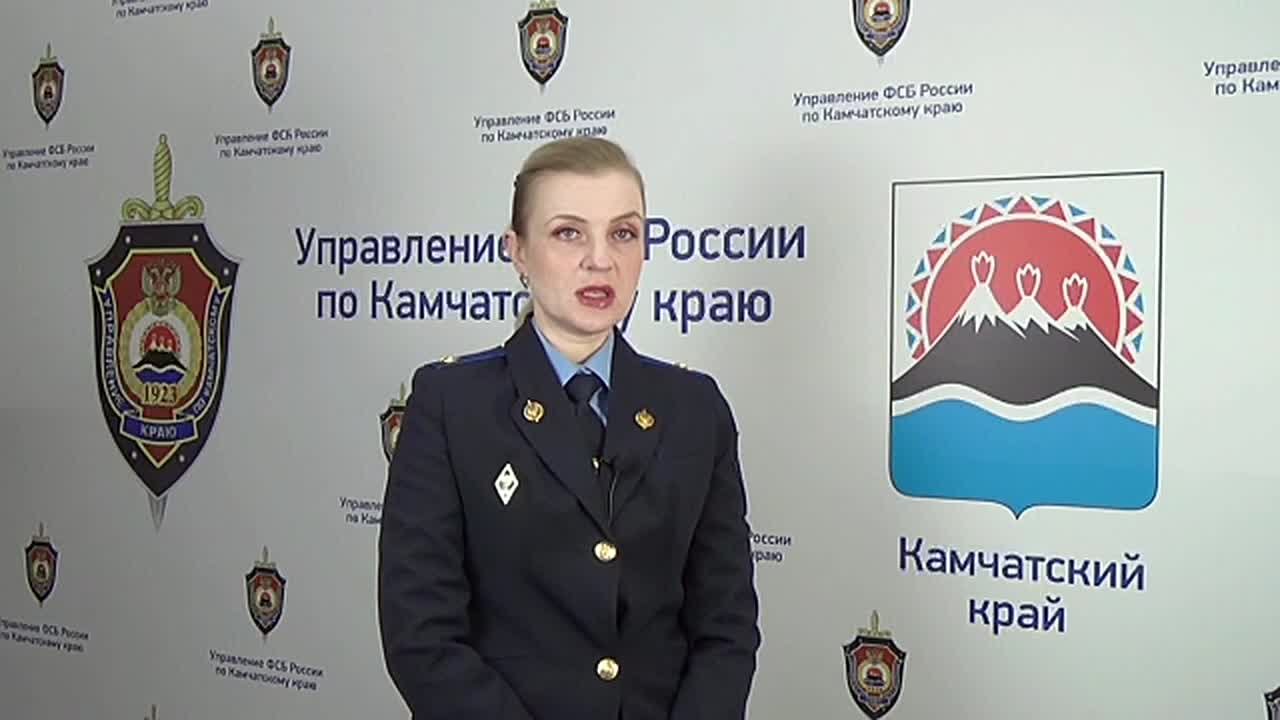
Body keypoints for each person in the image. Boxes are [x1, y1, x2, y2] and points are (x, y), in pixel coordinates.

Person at [377, 137, 761, 719]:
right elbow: (421, 636)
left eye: (623, 233)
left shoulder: (696, 410)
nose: (600, 260)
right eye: (568, 233)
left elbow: (726, 627)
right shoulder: (451, 405)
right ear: (518, 252)